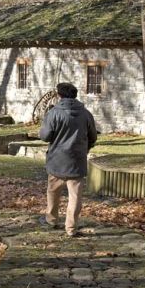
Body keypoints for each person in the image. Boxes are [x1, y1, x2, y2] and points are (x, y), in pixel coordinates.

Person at [39, 82, 97, 237]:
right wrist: (85, 149)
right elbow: (93, 137)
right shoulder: (86, 114)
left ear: (60, 95)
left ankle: (51, 220)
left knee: (53, 191)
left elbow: (45, 136)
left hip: (57, 159)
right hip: (77, 160)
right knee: (75, 196)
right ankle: (71, 228)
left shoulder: (53, 113)